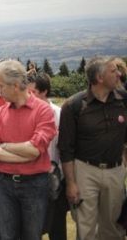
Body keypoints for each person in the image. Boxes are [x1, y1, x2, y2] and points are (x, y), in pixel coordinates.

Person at [0, 59, 57, 240]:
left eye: (0, 86)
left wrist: (5, 146)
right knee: (7, 236)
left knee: (32, 235)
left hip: (35, 184)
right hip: (4, 184)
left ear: (15, 85)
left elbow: (35, 150)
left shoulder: (43, 111)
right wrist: (23, 155)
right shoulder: (0, 112)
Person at [58, 56, 126, 240]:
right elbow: (66, 148)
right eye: (113, 71)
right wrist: (71, 183)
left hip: (116, 170)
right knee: (86, 226)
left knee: (112, 226)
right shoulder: (73, 105)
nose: (119, 74)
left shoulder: (124, 100)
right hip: (85, 171)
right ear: (99, 78)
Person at [28, 72, 68, 240]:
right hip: (31, 177)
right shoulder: (26, 113)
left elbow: (65, 146)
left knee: (57, 225)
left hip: (55, 176)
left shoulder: (59, 114)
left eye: (33, 92)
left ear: (44, 92)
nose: (29, 96)